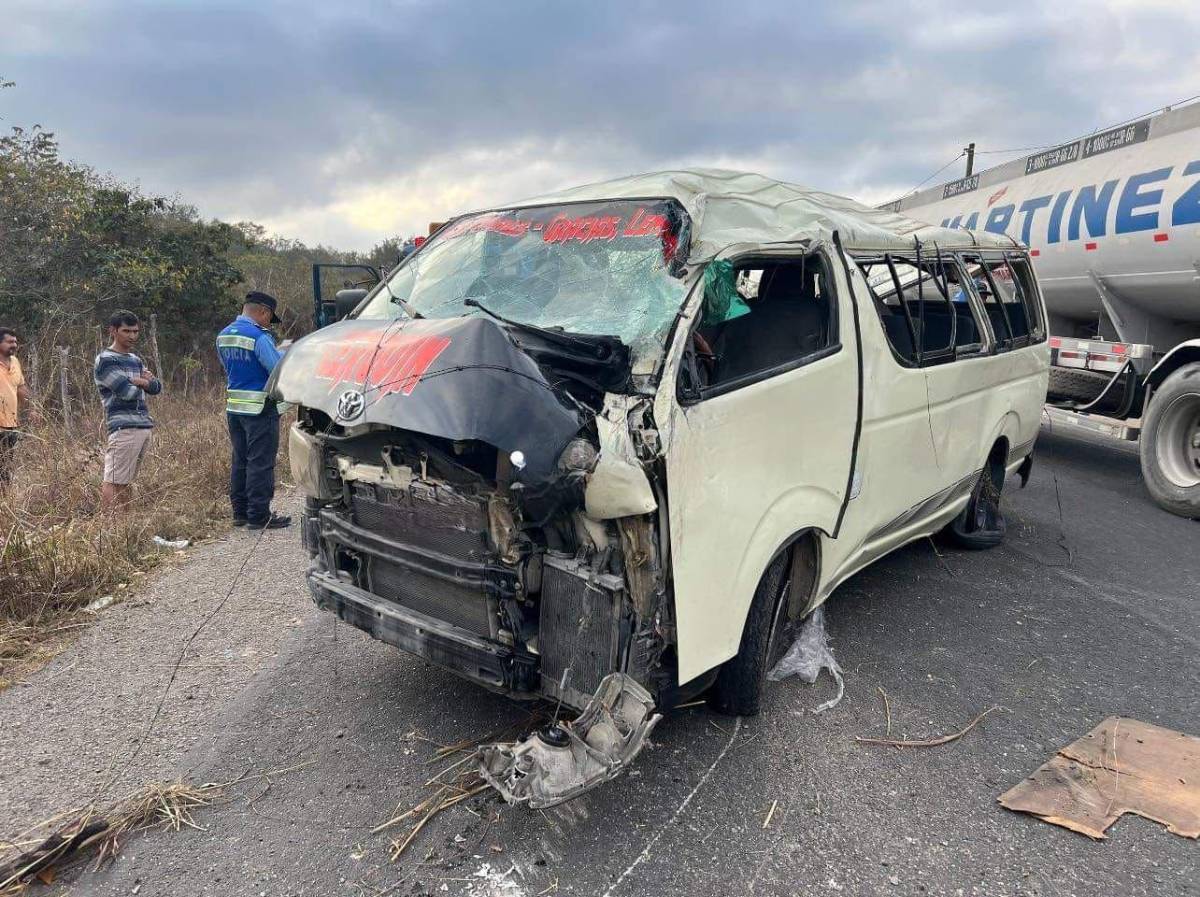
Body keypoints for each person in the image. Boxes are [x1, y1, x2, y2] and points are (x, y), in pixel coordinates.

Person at [217, 292, 291, 529]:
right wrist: (285, 353)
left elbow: (231, 369)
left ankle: (240, 513)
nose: (269, 322)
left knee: (240, 460)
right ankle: (259, 515)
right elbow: (277, 370)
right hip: (260, 409)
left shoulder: (223, 335)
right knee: (260, 462)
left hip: (235, 409)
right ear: (263, 312)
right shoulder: (258, 337)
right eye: (270, 317)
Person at [94, 311, 162, 509]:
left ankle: (125, 526)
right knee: (114, 479)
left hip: (142, 424)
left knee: (126, 479)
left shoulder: (135, 359)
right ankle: (112, 527)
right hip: (123, 426)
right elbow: (127, 392)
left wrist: (139, 381)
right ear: (113, 331)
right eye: (126, 331)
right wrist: (144, 382)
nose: (132, 336)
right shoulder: (106, 360)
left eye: (135, 331)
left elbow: (157, 387)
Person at [0, 327, 34, 486]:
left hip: (10, 426)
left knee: (6, 469)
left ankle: (5, 505)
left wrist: (33, 408)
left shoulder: (15, 362)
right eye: (9, 342)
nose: (14, 345)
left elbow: (20, 387)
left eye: (15, 342)